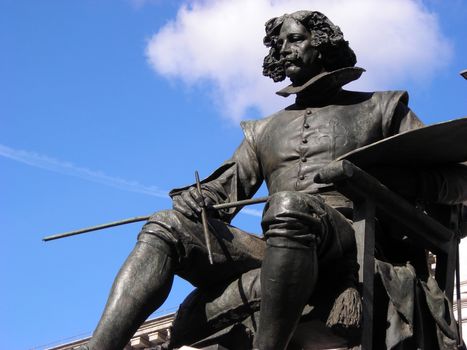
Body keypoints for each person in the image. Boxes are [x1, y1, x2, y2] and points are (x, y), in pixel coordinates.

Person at [82, 11, 467, 350]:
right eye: (278, 44)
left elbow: (456, 180)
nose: (284, 49)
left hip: (353, 240)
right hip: (283, 241)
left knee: (288, 207)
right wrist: (196, 200)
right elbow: (224, 189)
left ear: (323, 44)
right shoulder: (264, 129)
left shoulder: (382, 107)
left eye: (295, 39)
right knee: (164, 224)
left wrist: (391, 181)